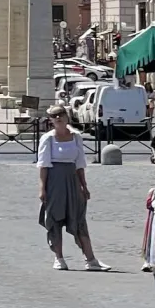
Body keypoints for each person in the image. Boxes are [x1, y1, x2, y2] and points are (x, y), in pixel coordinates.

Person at [37, 105, 109, 272]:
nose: (58, 118)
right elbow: (43, 165)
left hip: (73, 180)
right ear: (51, 120)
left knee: (78, 218)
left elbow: (79, 164)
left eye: (60, 114)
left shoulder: (76, 137)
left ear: (67, 116)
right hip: (54, 181)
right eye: (54, 116)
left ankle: (90, 260)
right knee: (55, 218)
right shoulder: (48, 139)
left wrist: (84, 186)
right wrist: (42, 188)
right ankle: (59, 258)